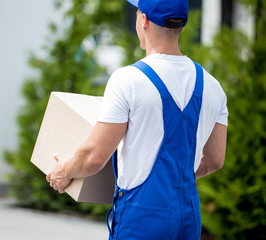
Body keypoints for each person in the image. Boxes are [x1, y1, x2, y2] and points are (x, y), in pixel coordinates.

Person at [46, 0, 228, 239]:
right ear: (180, 25)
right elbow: (214, 160)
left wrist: (64, 170)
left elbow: (93, 157)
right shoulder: (213, 88)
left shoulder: (128, 80)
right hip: (188, 217)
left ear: (143, 20)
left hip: (143, 219)